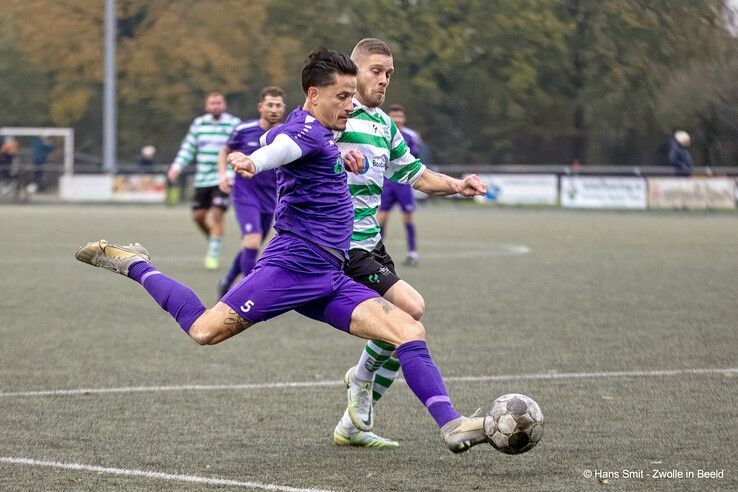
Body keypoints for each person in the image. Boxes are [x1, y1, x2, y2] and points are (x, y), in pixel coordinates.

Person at [76, 48, 489, 454]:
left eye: (351, 96)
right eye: (342, 97)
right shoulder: (306, 129)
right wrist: (254, 162)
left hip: (331, 273)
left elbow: (303, 145)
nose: (350, 105)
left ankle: (450, 423)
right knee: (204, 331)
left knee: (410, 328)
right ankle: (137, 265)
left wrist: (341, 157)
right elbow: (283, 146)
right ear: (313, 95)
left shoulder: (329, 136)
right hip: (291, 267)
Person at [334, 38, 490, 447]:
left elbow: (417, 175)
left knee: (405, 320)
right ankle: (362, 378)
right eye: (376, 71)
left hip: (371, 244)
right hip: (340, 246)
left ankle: (351, 426)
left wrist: (459, 184)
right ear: (355, 71)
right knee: (410, 312)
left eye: (389, 73)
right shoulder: (335, 114)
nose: (384, 79)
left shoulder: (386, 126)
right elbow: (296, 146)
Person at [216, 87, 286, 297]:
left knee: (251, 245)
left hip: (270, 197)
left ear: (283, 108)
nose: (273, 109)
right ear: (260, 107)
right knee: (253, 240)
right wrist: (222, 175)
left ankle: (227, 281)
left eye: (278, 105)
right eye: (270, 105)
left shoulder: (286, 134)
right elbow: (225, 151)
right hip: (244, 194)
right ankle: (250, 294)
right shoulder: (244, 129)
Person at [168, 92, 241, 270]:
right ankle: (214, 239)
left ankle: (213, 253)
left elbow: (241, 147)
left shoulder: (233, 124)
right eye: (212, 103)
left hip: (224, 177)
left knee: (217, 213)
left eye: (218, 103)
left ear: (224, 105)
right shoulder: (199, 124)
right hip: (202, 179)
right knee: (198, 216)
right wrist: (177, 167)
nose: (215, 106)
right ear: (207, 106)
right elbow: (188, 148)